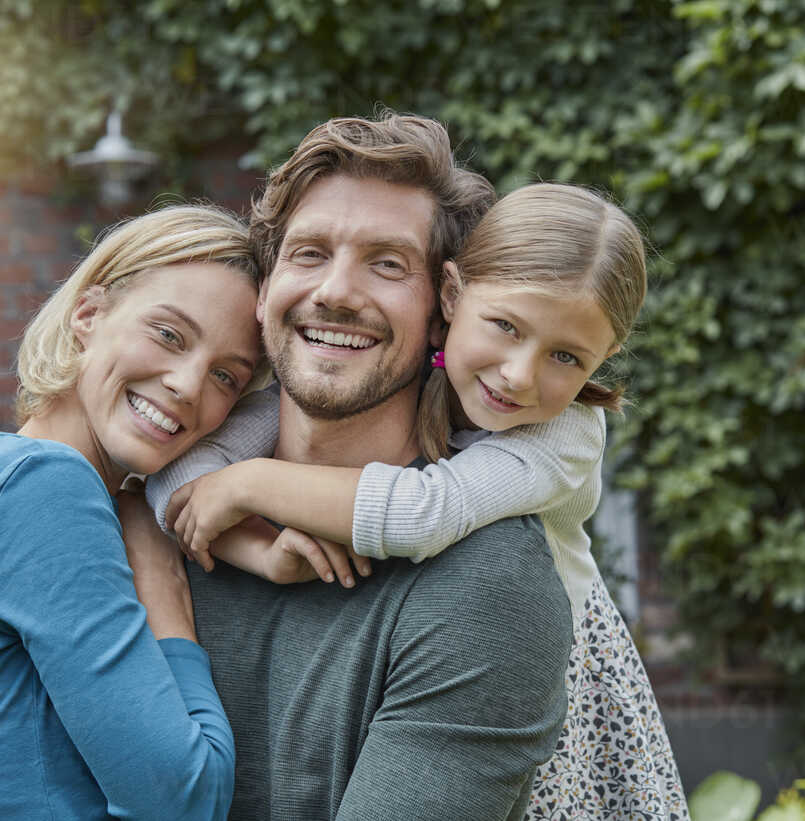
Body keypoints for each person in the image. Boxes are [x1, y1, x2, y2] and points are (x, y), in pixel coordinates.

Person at [152, 183, 689, 818]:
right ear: (456, 299)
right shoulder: (287, 399)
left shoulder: (560, 431)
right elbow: (179, 477)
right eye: (506, 327)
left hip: (554, 686)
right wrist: (256, 550)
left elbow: (421, 513)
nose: (519, 374)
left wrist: (246, 485)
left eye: (566, 356)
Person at [0, 205, 263, 820]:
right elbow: (180, 801)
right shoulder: (45, 486)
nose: (188, 385)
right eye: (168, 335)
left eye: (227, 377)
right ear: (89, 314)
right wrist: (167, 601)